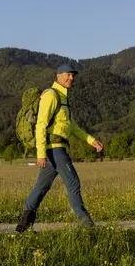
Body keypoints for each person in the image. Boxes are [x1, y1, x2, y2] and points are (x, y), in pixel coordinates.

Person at [16, 62, 103, 232]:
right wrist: (40, 154)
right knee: (73, 183)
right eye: (68, 74)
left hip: (55, 149)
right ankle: (88, 226)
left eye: (73, 75)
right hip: (54, 149)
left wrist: (91, 141)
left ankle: (23, 225)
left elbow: (71, 127)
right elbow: (41, 124)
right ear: (58, 76)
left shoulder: (63, 98)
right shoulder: (51, 95)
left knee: (41, 187)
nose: (71, 78)